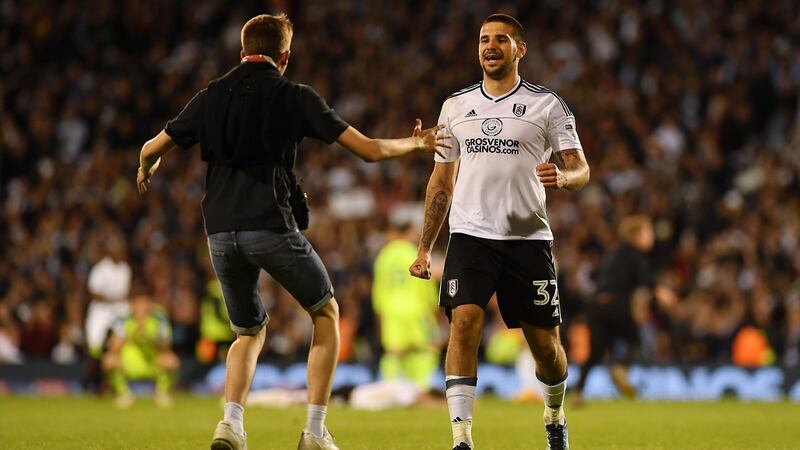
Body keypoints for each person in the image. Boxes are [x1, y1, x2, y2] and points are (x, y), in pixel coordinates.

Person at [135, 13, 449, 450]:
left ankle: (231, 425)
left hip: (220, 233)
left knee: (247, 332)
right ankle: (315, 433)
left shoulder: (211, 94)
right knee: (326, 313)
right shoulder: (293, 95)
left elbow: (153, 146)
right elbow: (371, 151)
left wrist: (148, 165)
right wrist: (417, 144)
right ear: (285, 56)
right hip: (269, 226)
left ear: (241, 51)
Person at [409, 14, 590, 450]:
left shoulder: (547, 104)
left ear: (519, 49)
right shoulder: (455, 106)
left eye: (501, 40)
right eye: (484, 39)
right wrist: (424, 248)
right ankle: (461, 439)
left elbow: (581, 168)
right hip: (470, 235)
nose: (490, 46)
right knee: (464, 324)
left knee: (546, 350)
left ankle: (554, 413)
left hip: (527, 238)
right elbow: (440, 183)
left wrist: (564, 179)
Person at [572, 215, 672, 403]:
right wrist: (660, 292)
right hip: (616, 304)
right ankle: (621, 368)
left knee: (596, 351)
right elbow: (646, 281)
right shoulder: (634, 253)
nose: (651, 237)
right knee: (635, 339)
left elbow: (594, 275)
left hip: (596, 306)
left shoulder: (612, 252)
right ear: (636, 236)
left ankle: (578, 392)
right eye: (647, 232)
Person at [372, 221, 441, 390]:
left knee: (393, 353)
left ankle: (390, 388)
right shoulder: (415, 254)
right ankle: (422, 388)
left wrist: (380, 315)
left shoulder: (384, 255)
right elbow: (425, 284)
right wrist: (433, 310)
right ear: (406, 232)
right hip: (416, 309)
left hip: (391, 311)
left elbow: (379, 289)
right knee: (422, 351)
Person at [101, 294, 179, 408]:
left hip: (152, 362)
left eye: (144, 303)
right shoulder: (124, 319)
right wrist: (134, 332)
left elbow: (166, 346)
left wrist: (148, 336)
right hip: (128, 363)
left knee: (171, 360)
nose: (141, 307)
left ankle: (162, 393)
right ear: (132, 305)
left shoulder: (159, 318)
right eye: (138, 303)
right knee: (109, 360)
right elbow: (113, 347)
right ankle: (124, 394)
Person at [84, 235, 132, 392]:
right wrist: (112, 298)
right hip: (101, 308)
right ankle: (92, 381)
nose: (120, 253)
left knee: (122, 342)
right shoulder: (101, 268)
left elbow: (126, 292)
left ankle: (114, 381)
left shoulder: (125, 268)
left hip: (119, 308)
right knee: (95, 344)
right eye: (117, 250)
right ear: (110, 251)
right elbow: (94, 293)